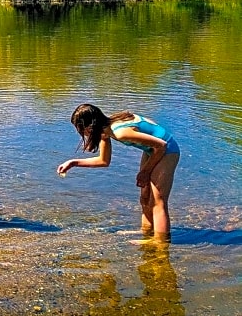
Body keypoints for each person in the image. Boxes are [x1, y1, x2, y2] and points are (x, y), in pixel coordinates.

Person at [58, 103, 180, 242]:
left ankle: (160, 243)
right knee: (145, 197)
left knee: (158, 201)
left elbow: (162, 145)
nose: (81, 133)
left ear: (89, 126)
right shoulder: (106, 131)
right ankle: (146, 232)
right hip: (152, 150)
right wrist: (73, 163)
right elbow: (104, 161)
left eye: (80, 129)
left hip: (167, 150)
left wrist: (146, 171)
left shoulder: (120, 132)